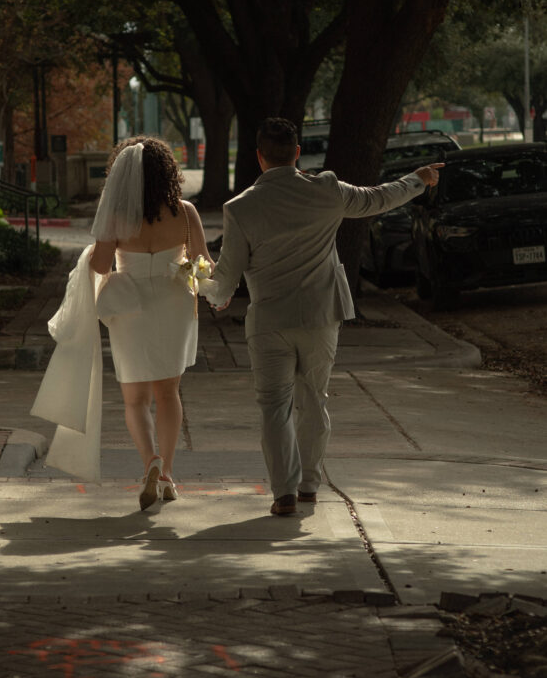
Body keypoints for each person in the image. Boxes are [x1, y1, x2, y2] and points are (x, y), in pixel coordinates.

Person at [206, 117, 444, 516]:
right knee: (313, 400)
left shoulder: (240, 208)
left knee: (273, 406)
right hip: (321, 315)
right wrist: (418, 179)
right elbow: (379, 197)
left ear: (259, 157)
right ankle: (309, 485)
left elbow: (226, 278)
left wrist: (204, 288)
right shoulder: (328, 190)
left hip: (268, 322)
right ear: (297, 153)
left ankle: (283, 492)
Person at [89, 136, 213, 510]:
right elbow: (203, 264)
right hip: (175, 302)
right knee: (168, 392)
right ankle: (170, 474)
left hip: (130, 306)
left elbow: (99, 265)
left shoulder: (117, 216)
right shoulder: (185, 211)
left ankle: (150, 465)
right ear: (167, 173)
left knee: (135, 398)